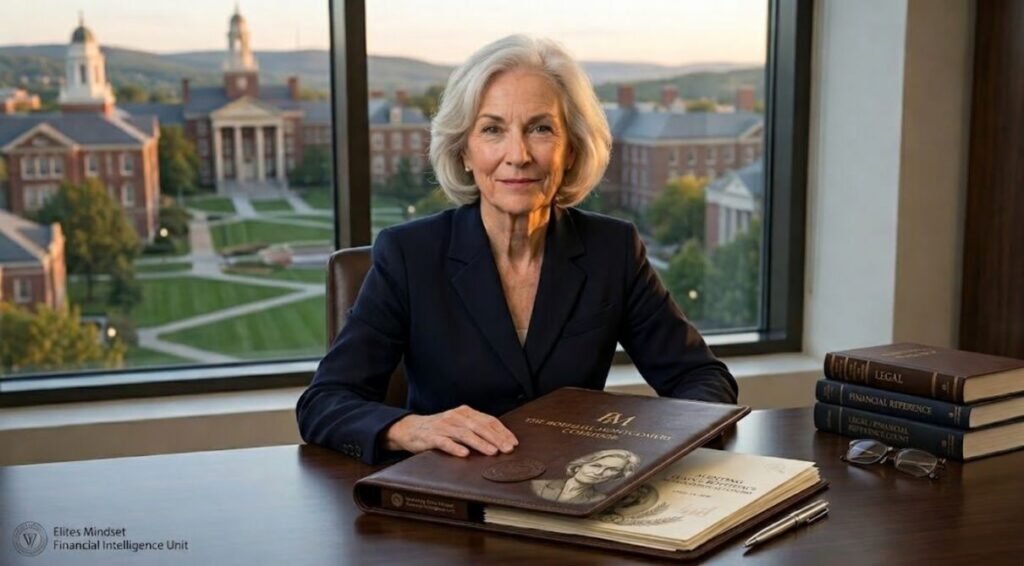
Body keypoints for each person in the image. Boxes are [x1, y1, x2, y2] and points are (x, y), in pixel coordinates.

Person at [296, 35, 738, 465]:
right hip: (449, 506)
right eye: (493, 129)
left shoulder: (613, 251)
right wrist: (412, 428)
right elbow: (324, 402)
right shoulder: (409, 256)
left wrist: (645, 447)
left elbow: (702, 378)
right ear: (464, 151)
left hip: (576, 497)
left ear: (571, 149)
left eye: (540, 129)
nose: (518, 154)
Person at [531, 449, 640, 504]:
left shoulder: (599, 500)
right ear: (579, 466)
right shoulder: (537, 485)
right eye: (596, 465)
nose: (599, 472)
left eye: (611, 470)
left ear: (616, 476)